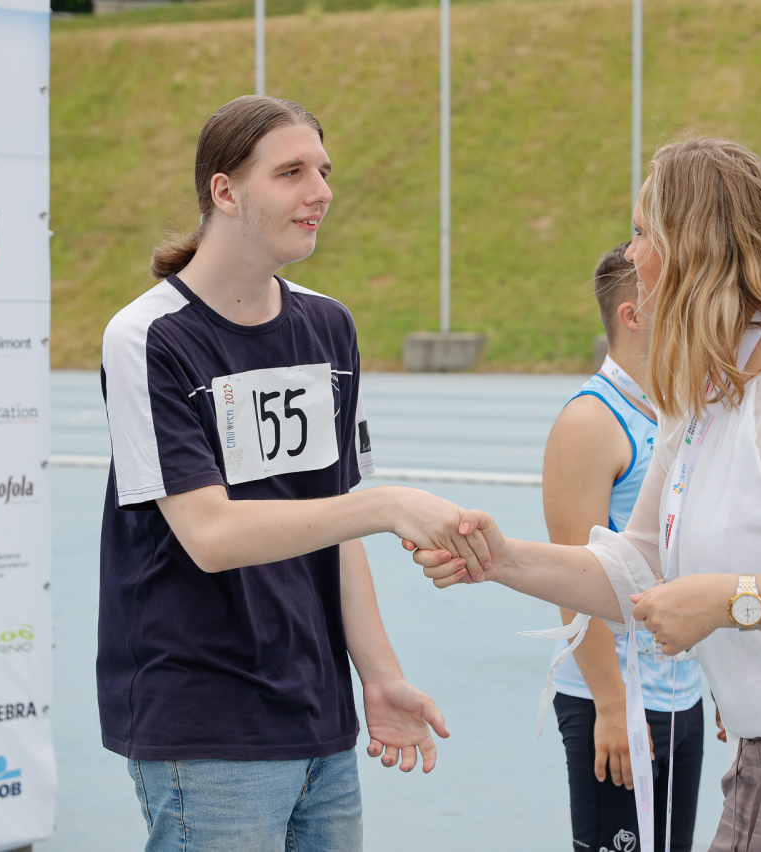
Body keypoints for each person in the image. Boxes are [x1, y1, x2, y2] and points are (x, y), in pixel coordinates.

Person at [412, 137, 761, 850]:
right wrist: (500, 560)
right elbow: (637, 567)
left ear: (696, 248)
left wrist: (730, 600)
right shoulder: (705, 387)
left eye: (643, 232)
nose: (629, 254)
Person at [97, 95, 488, 851]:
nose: (321, 192)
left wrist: (379, 676)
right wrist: (384, 506)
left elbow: (330, 521)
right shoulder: (148, 336)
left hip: (318, 713)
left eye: (324, 171)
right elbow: (210, 535)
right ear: (224, 191)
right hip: (205, 720)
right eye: (291, 173)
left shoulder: (328, 326)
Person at [544, 244, 703, 852]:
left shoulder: (679, 408)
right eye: (679, 295)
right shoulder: (590, 422)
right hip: (614, 699)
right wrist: (613, 706)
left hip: (682, 692)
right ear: (633, 315)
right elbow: (571, 579)